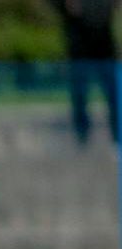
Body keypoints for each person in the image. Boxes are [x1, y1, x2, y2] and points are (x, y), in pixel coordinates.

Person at [52, 0, 119, 145]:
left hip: (104, 48)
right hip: (79, 49)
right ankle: (82, 137)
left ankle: (117, 135)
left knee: (114, 95)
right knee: (80, 95)